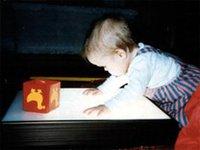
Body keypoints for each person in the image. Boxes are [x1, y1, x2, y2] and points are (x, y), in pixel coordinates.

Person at [81, 17, 200, 130]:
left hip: (183, 91)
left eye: (104, 66)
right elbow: (118, 77)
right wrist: (102, 89)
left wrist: (108, 106)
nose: (105, 70)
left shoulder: (142, 63)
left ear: (120, 54)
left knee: (187, 116)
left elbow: (134, 91)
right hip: (168, 85)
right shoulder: (131, 55)